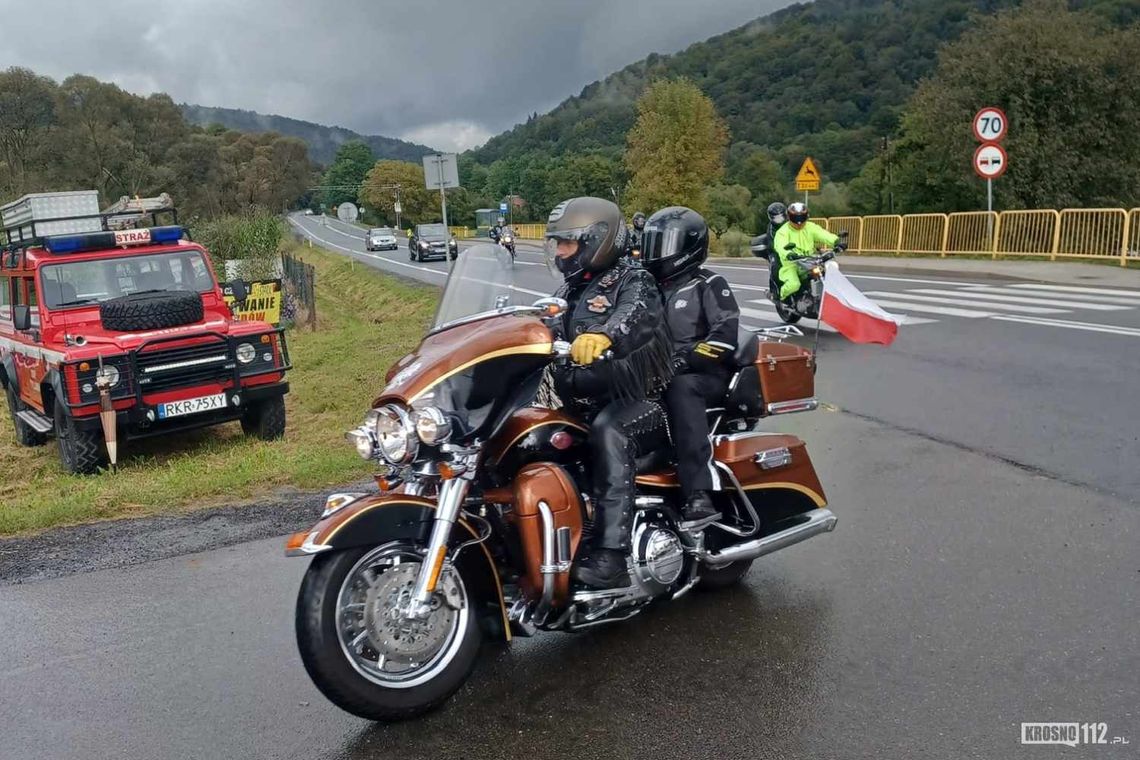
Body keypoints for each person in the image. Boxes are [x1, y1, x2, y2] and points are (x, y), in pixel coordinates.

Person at [544, 197, 674, 589]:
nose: (561, 252)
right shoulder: (571, 288)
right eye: (558, 244)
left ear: (597, 240)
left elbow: (636, 315)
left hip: (641, 405)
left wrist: (604, 335)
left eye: (568, 243)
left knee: (608, 431)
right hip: (582, 403)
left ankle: (612, 556)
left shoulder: (635, 280)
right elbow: (540, 322)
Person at [640, 207, 739, 525]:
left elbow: (725, 335)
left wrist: (684, 361)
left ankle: (700, 491)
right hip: (655, 371)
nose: (658, 252)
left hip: (703, 375)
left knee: (680, 388)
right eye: (654, 243)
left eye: (666, 244)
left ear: (690, 246)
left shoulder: (708, 284)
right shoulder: (645, 288)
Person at [772, 202, 838, 301]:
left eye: (802, 218)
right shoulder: (783, 231)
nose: (799, 222)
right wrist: (789, 254)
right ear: (789, 217)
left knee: (827, 274)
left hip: (810, 261)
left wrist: (836, 241)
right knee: (793, 285)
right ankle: (780, 297)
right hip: (791, 263)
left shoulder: (811, 227)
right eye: (795, 218)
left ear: (806, 216)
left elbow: (823, 234)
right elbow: (780, 245)